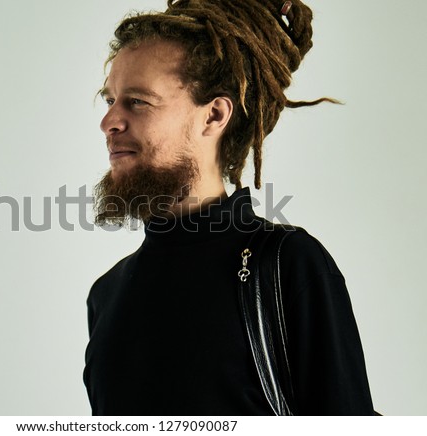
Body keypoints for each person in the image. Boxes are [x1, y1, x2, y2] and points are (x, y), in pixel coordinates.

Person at [83, 0, 374, 415]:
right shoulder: (106, 295)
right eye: (110, 99)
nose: (109, 121)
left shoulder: (287, 265)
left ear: (214, 115)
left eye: (137, 101)